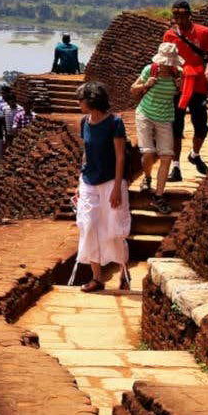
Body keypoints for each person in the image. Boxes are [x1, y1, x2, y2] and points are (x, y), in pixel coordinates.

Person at [69, 81, 131, 293]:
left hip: (111, 181)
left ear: (92, 100)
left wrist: (116, 188)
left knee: (115, 228)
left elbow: (120, 157)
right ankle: (97, 278)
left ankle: (123, 270)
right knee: (88, 226)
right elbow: (86, 153)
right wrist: (80, 181)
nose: (79, 103)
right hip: (89, 181)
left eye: (81, 100)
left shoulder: (114, 122)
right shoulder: (84, 122)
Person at [163, 1, 208, 181]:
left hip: (198, 83)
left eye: (183, 14)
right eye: (176, 15)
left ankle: (195, 154)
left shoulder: (203, 32)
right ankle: (175, 168)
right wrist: (172, 77)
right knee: (176, 127)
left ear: (190, 14)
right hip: (178, 86)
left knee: (201, 126)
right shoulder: (169, 35)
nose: (179, 18)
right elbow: (165, 61)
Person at [131, 43, 182, 215]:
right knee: (148, 153)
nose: (166, 65)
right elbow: (133, 89)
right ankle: (147, 177)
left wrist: (180, 87)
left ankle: (158, 196)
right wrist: (146, 84)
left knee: (167, 156)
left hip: (165, 117)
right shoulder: (149, 70)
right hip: (145, 113)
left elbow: (179, 94)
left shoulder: (177, 74)